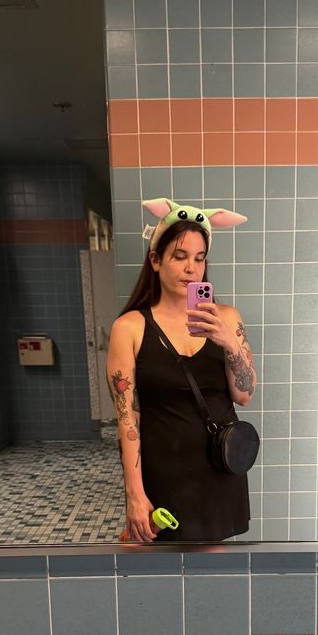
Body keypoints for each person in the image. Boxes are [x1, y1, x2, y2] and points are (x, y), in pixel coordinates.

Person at [106, 198, 257, 543]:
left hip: (220, 469)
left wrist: (229, 343)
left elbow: (245, 395)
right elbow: (127, 419)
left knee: (213, 566)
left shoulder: (227, 317)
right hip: (164, 474)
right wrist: (135, 494)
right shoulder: (129, 328)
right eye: (179, 256)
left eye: (199, 258)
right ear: (156, 260)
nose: (191, 268)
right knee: (155, 564)